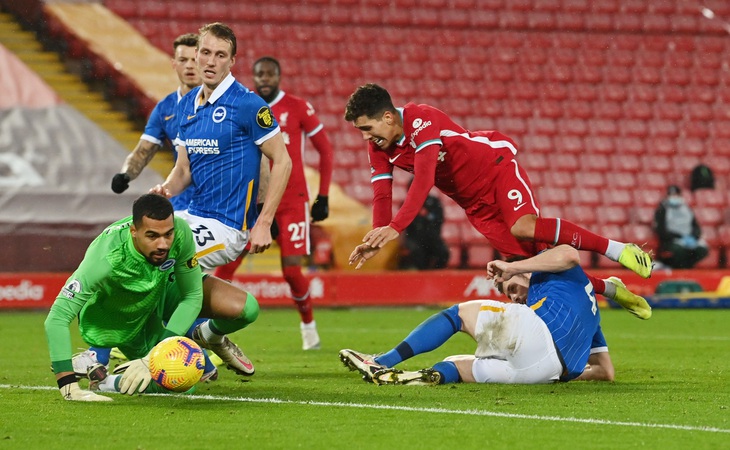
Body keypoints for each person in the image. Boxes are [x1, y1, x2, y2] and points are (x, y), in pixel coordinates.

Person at [344, 83, 651, 317]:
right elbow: (382, 193)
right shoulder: (379, 147)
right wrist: (376, 234)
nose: (365, 138)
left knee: (523, 227)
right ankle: (611, 288)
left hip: (495, 168)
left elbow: (423, 180)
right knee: (530, 268)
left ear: (387, 117)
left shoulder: (421, 119)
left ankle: (618, 249)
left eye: (366, 129)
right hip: (474, 205)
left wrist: (395, 227)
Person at [45, 194, 260, 401]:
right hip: (125, 316)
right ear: (134, 231)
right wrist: (69, 388)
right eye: (152, 236)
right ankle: (105, 382)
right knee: (181, 384)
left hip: (162, 288)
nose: (163, 244)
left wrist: (155, 355)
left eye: (168, 234)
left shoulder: (181, 232)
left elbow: (192, 295)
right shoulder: (105, 258)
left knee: (246, 308)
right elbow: (57, 318)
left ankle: (209, 335)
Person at [339, 245, 618, 385]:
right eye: (510, 295)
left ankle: (380, 362)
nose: (516, 298)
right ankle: (416, 378)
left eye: (513, 288)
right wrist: (558, 373)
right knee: (456, 364)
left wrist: (512, 267)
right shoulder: (591, 313)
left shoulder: (549, 270)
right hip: (545, 373)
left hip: (540, 337)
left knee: (458, 314)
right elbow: (606, 372)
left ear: (522, 272)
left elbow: (570, 254)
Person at [213, 56, 334, 350]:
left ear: (278, 76)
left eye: (269, 74)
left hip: (293, 202)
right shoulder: (246, 105)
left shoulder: (297, 107)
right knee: (228, 263)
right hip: (254, 201)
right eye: (259, 75)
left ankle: (309, 329)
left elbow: (326, 150)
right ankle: (210, 330)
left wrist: (324, 195)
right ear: (253, 77)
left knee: (292, 271)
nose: (264, 79)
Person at [150, 22, 292, 269]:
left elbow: (283, 161)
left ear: (232, 61)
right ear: (196, 55)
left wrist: (265, 221)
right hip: (192, 215)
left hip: (228, 227)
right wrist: (166, 190)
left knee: (163, 259)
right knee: (123, 239)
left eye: (220, 55)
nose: (211, 62)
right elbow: (183, 170)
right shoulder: (185, 106)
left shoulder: (249, 105)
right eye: (205, 53)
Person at [110, 33, 200, 210]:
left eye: (194, 60)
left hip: (219, 201)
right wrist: (125, 175)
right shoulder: (165, 108)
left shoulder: (225, 105)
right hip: (181, 201)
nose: (189, 66)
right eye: (183, 60)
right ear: (174, 64)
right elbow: (143, 151)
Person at [654, 185, 708, 269]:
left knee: (702, 250)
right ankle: (677, 269)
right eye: (672, 195)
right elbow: (661, 230)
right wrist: (679, 237)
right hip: (671, 240)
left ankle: (687, 268)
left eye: (676, 195)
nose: (674, 197)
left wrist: (694, 237)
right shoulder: (662, 210)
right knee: (679, 251)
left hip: (689, 239)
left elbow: (696, 226)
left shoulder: (687, 209)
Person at [399, 191, 449, 270]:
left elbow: (439, 219)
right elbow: (403, 223)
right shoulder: (406, 203)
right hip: (413, 237)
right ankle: (422, 273)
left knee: (443, 252)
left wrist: (427, 217)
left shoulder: (434, 201)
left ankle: (436, 273)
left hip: (432, 235)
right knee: (417, 252)